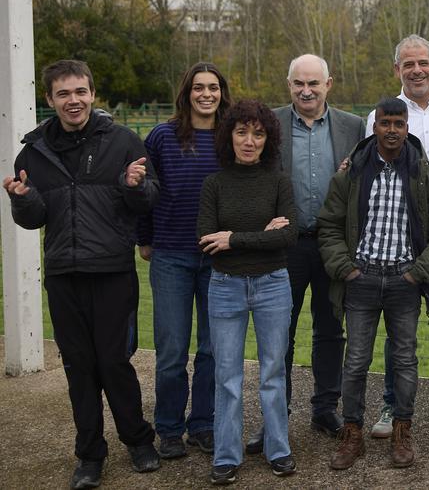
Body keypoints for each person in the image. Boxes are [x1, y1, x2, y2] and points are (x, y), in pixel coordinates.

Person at [5, 59, 162, 489]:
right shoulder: (32, 153)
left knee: (113, 362)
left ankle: (139, 441)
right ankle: (90, 455)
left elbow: (148, 200)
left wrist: (134, 185)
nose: (73, 101)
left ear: (92, 94)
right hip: (63, 274)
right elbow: (34, 218)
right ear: (50, 100)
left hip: (111, 271)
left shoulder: (124, 142)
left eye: (80, 92)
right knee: (79, 367)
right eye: (63, 94)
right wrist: (22, 199)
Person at [322, 97, 429, 471]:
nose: (393, 130)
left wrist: (418, 272)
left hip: (404, 281)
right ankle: (352, 433)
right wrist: (346, 269)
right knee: (355, 362)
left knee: (404, 360)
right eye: (386, 124)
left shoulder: (425, 175)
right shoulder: (352, 173)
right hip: (361, 280)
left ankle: (402, 430)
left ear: (406, 128)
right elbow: (330, 225)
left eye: (399, 124)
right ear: (375, 127)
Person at [365, 35, 429, 438]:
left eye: (423, 62)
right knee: (398, 327)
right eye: (408, 64)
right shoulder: (381, 115)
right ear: (397, 70)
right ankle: (391, 404)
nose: (417, 70)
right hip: (397, 240)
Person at [263, 54, 364, 453]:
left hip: (332, 245)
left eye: (314, 84)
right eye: (298, 83)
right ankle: (276, 416)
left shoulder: (352, 127)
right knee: (278, 333)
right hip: (285, 245)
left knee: (329, 329)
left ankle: (325, 408)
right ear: (288, 84)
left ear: (329, 84)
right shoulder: (269, 125)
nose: (306, 91)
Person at [197, 100, 298, 484]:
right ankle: (226, 455)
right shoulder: (214, 184)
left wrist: (234, 238)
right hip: (225, 289)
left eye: (258, 133)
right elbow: (205, 239)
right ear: (229, 136)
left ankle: (279, 449)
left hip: (273, 285)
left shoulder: (278, 181)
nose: (249, 141)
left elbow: (288, 235)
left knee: (273, 371)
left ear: (267, 139)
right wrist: (262, 235)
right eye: (242, 132)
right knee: (227, 376)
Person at [136, 62, 231, 460]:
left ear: (222, 93)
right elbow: (145, 190)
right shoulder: (162, 135)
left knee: (213, 349)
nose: (206, 94)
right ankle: (170, 428)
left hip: (217, 258)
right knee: (172, 349)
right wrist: (144, 238)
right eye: (198, 87)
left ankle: (203, 425)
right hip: (171, 256)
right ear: (187, 92)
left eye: (213, 87)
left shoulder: (232, 137)